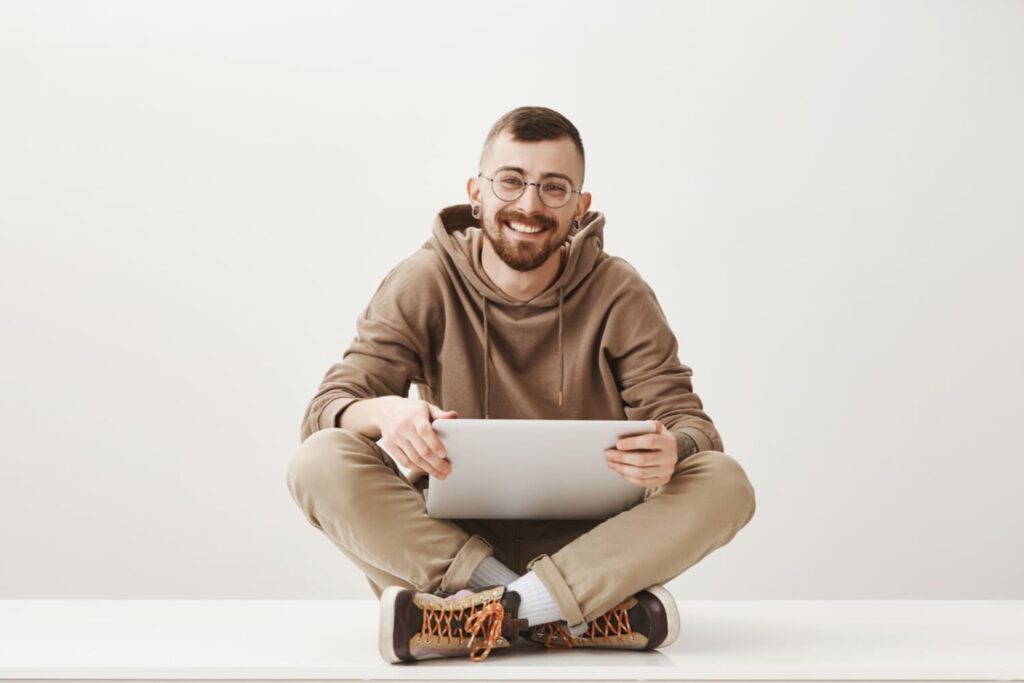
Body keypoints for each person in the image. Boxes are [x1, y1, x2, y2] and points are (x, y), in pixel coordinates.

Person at [286, 106, 757, 664]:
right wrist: (386, 413)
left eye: (554, 188)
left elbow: (692, 426)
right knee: (319, 461)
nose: (530, 205)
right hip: (447, 550)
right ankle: (559, 617)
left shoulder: (619, 292)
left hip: (595, 551)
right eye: (511, 181)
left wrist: (673, 449)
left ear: (580, 207)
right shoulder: (423, 280)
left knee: (724, 482)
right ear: (477, 192)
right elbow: (326, 410)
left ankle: (479, 620)